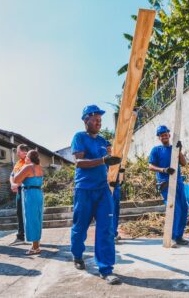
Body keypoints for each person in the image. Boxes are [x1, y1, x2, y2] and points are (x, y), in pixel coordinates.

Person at [70, 105, 122, 285]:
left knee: (106, 229)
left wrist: (115, 170)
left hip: (102, 190)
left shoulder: (103, 141)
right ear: (86, 120)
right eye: (95, 118)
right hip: (84, 190)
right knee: (80, 227)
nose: (99, 121)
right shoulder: (79, 137)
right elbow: (79, 162)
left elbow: (109, 161)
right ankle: (77, 255)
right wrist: (102, 160)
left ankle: (106, 269)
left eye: (100, 119)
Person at [149, 125, 189, 248]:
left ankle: (178, 236)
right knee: (174, 209)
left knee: (184, 209)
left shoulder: (174, 149)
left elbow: (184, 163)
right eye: (161, 134)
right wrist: (164, 170)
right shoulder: (156, 150)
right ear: (159, 137)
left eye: (166, 134)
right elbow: (150, 166)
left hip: (178, 183)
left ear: (169, 135)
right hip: (165, 184)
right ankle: (170, 238)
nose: (164, 136)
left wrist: (179, 151)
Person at [14, 150, 44, 255]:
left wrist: (20, 168)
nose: (25, 158)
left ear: (29, 158)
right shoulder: (39, 167)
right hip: (38, 193)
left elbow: (15, 179)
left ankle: (35, 247)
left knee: (31, 219)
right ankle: (36, 245)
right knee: (37, 218)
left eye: (26, 156)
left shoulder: (27, 167)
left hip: (30, 194)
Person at [9, 144, 29, 245]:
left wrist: (17, 184)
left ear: (23, 152)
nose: (17, 153)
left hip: (26, 190)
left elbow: (26, 175)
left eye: (18, 151)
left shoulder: (28, 161)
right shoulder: (18, 162)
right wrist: (13, 184)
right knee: (19, 212)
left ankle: (29, 236)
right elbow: (12, 175)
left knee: (27, 213)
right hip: (19, 190)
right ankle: (20, 236)